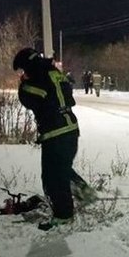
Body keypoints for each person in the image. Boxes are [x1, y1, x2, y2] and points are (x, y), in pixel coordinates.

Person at [13, 48, 97, 230]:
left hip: (55, 133)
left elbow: (29, 99)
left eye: (22, 70)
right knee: (61, 169)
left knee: (52, 177)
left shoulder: (37, 79)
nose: (23, 73)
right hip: (71, 130)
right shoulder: (55, 73)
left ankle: (64, 215)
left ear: (28, 66)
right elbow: (68, 97)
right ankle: (83, 190)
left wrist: (22, 85)